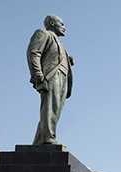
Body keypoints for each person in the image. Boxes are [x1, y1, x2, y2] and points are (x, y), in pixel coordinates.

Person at [27, 15, 74, 145]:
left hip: (63, 78)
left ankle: (39, 141)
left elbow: (55, 57)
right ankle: (48, 138)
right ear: (52, 23)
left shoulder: (59, 42)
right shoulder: (43, 33)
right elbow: (33, 52)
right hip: (51, 76)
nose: (64, 28)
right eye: (62, 24)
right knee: (50, 108)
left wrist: (67, 60)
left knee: (55, 110)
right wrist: (37, 74)